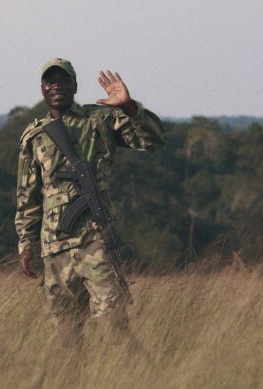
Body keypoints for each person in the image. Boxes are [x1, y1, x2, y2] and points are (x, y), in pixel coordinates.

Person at [15, 58, 166, 343]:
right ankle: (72, 387)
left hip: (96, 241)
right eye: (50, 81)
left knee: (114, 325)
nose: (56, 86)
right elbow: (27, 197)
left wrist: (129, 107)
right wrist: (26, 242)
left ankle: (131, 381)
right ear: (42, 88)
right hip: (54, 248)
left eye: (63, 80)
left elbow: (154, 141)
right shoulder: (33, 136)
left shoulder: (99, 120)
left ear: (74, 85)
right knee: (65, 334)